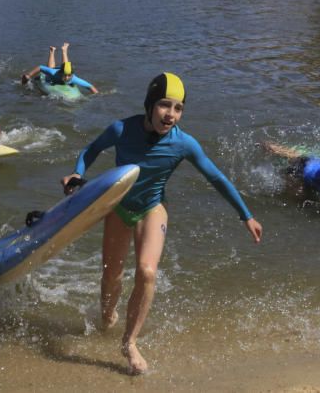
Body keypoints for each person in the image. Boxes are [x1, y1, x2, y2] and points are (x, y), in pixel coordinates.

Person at [60, 73, 262, 375]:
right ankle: (107, 317)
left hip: (152, 208)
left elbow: (216, 178)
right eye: (164, 105)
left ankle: (129, 343)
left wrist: (246, 215)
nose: (171, 114)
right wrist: (76, 174)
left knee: (146, 271)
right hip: (118, 205)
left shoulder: (184, 144)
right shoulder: (122, 129)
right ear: (150, 104)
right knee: (111, 276)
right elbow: (90, 151)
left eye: (178, 108)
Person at [20, 42, 98, 94]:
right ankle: (52, 51)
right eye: (65, 75)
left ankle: (64, 51)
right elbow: (40, 67)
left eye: (69, 75)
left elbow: (90, 86)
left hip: (64, 69)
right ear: (61, 73)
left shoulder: (73, 78)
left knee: (66, 66)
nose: (67, 78)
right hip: (54, 74)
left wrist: (97, 96)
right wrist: (29, 75)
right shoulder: (53, 73)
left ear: (72, 74)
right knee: (51, 67)